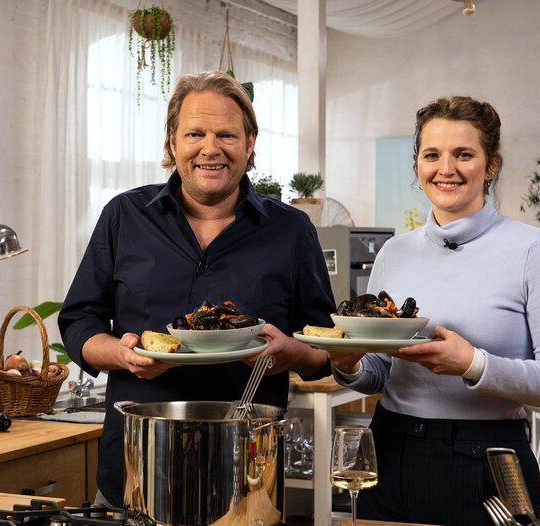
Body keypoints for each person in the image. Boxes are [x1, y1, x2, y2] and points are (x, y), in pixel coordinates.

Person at [58, 70, 335, 508]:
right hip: (135, 470)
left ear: (250, 142)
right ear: (172, 142)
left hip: (248, 476)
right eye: (195, 134)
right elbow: (79, 321)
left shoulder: (292, 230)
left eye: (227, 134)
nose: (211, 148)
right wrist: (122, 354)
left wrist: (290, 354)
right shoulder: (124, 216)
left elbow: (325, 346)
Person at [329, 96, 540, 525]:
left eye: (464, 154)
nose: (445, 169)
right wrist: (347, 364)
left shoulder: (534, 251)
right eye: (432, 155)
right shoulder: (393, 252)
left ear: (492, 165)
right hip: (389, 449)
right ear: (417, 164)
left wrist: (472, 364)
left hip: (488, 460)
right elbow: (378, 369)